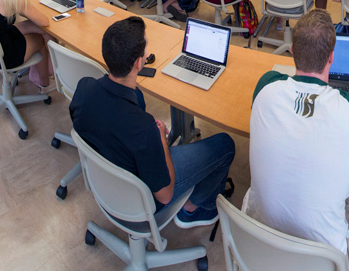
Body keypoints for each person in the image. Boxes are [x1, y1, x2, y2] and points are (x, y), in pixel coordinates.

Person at [248, 8, 349, 271]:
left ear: (292, 50)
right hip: (328, 259)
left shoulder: (266, 85)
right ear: (332, 57)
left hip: (259, 240)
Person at [72, 15, 235, 227]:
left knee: (137, 98)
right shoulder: (144, 129)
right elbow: (165, 195)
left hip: (103, 184)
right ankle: (194, 209)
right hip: (140, 201)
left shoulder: (83, 88)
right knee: (225, 144)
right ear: (139, 63)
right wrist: (161, 142)